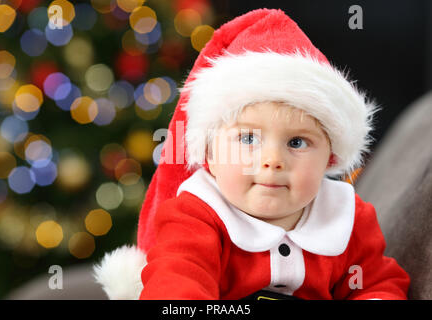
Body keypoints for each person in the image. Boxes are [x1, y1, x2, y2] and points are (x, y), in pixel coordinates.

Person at [94, 8, 410, 300]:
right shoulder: (195, 214)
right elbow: (178, 283)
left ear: (330, 157)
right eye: (248, 138)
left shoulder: (346, 216)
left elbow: (376, 283)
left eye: (297, 143)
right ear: (210, 155)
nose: (272, 160)